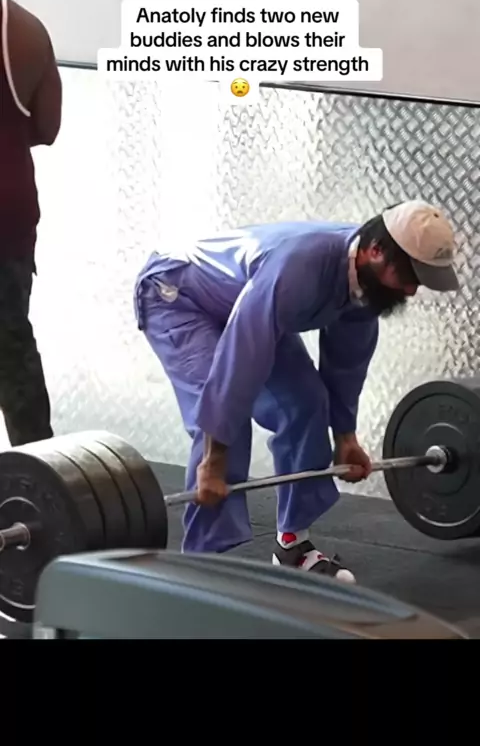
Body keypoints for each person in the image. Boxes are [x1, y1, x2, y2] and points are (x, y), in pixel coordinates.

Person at [134, 199, 459, 582]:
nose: (412, 290)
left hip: (244, 303)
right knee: (226, 429)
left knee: (306, 403)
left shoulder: (365, 284)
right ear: (376, 251)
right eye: (410, 275)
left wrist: (345, 436)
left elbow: (347, 362)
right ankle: (201, 568)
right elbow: (243, 356)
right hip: (179, 296)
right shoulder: (300, 269)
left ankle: (292, 544)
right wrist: (214, 460)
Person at [0, 0, 62, 446]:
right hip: (10, 215)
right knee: (11, 345)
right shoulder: (27, 29)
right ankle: (35, 468)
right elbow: (46, 127)